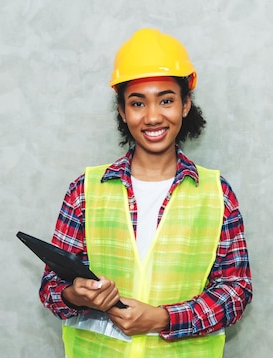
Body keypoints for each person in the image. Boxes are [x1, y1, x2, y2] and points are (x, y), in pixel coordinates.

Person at [39, 28, 253, 357]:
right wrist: (75, 295)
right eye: (138, 103)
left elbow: (236, 291)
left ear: (185, 105)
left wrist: (163, 319)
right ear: (123, 112)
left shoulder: (217, 195)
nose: (153, 116)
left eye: (166, 100)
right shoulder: (85, 191)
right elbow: (51, 288)